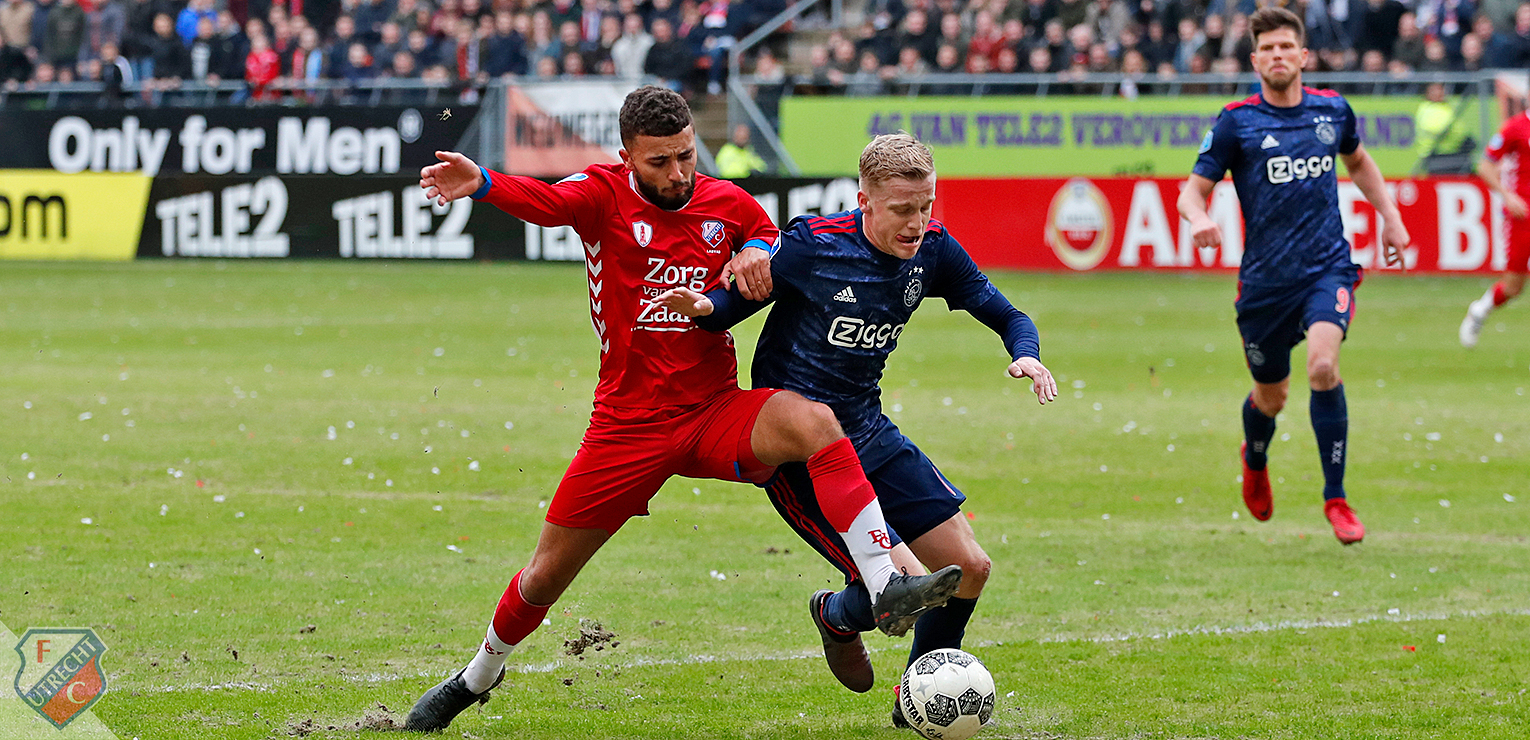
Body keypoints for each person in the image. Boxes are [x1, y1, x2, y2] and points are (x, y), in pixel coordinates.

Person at [403, 86, 962, 732]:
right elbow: (549, 202)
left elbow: (764, 231)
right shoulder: (601, 194)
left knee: (815, 422)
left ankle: (881, 581)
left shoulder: (725, 201)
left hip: (711, 410)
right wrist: (483, 184)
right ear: (626, 157)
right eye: (660, 163)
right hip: (625, 427)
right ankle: (476, 676)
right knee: (543, 577)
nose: (678, 174)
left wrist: (757, 250)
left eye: (687, 157)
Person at [652, 133, 1057, 721]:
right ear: (864, 201)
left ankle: (918, 695)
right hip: (800, 450)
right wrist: (706, 307)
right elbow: (731, 307)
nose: (917, 222)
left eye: (926, 206)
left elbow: (1007, 313)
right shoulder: (814, 247)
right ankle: (837, 616)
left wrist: (1028, 352)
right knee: (900, 587)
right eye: (901, 209)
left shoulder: (933, 251)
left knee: (968, 569)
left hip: (868, 429)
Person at [1177, 7, 1408, 546]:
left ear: (1303, 56)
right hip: (1264, 285)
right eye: (1268, 49)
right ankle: (1254, 457)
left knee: (1324, 366)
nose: (1279, 56)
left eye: (1288, 47)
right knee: (1272, 397)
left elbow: (1360, 163)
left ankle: (1336, 499)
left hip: (1327, 268)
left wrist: (1392, 219)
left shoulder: (1332, 111)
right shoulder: (1237, 121)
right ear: (1255, 59)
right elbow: (1192, 190)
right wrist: (1200, 217)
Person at [1459, 89, 1530, 347]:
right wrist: (1507, 196)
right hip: (1523, 217)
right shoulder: (1516, 127)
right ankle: (1481, 309)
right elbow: (1485, 165)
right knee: (1513, 287)